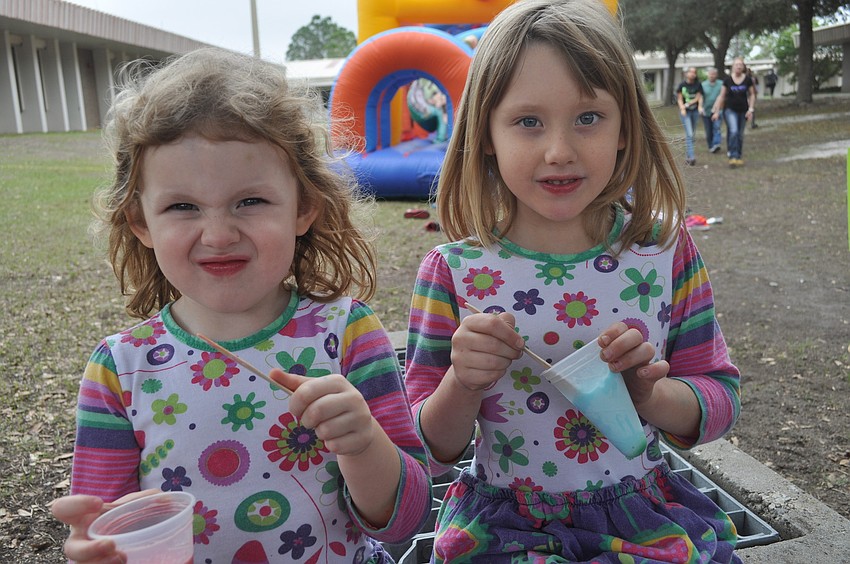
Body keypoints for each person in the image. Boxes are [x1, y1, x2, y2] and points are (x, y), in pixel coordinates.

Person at [50, 48, 431, 563]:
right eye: (182, 206)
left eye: (249, 201)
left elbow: (405, 518)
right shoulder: (121, 369)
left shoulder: (347, 332)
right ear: (141, 224)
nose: (219, 233)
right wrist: (94, 548)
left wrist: (363, 444)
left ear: (304, 207)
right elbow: (107, 526)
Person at [404, 0, 742, 562]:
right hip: (504, 527)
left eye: (588, 117)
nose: (558, 151)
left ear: (625, 129)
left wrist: (653, 396)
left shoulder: (663, 251)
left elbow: (721, 398)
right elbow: (426, 450)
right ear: (486, 132)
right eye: (528, 121)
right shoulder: (453, 272)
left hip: (644, 519)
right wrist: (461, 385)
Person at [712, 57, 756, 168]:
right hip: (730, 110)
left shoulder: (748, 80)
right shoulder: (727, 80)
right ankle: (732, 156)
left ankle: (738, 156)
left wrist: (751, 109)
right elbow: (721, 96)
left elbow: (752, 94)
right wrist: (716, 111)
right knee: (734, 131)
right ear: (733, 67)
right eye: (736, 64)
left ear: (743, 67)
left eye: (741, 65)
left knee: (740, 135)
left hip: (743, 111)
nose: (738, 66)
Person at [676, 66, 704, 166]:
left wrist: (699, 107)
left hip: (694, 112)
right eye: (691, 72)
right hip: (685, 113)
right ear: (686, 73)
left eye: (694, 72)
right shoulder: (682, 85)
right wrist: (682, 108)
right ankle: (691, 157)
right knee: (690, 133)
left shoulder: (698, 85)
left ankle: (688, 156)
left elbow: (698, 97)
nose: (693, 74)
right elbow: (679, 99)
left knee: (692, 134)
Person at [407, 77, 449, 142]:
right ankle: (440, 139)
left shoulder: (424, 82)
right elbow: (427, 98)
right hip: (419, 109)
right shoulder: (423, 83)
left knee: (442, 110)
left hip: (417, 110)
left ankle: (443, 136)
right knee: (441, 112)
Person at [701, 67, 723, 153]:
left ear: (716, 75)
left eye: (713, 74)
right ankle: (711, 145)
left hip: (718, 110)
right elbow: (701, 97)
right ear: (708, 75)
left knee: (716, 127)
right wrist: (701, 107)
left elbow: (723, 97)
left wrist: (718, 110)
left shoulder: (721, 84)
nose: (712, 76)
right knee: (708, 130)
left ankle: (716, 144)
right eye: (710, 74)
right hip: (706, 111)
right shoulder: (703, 85)